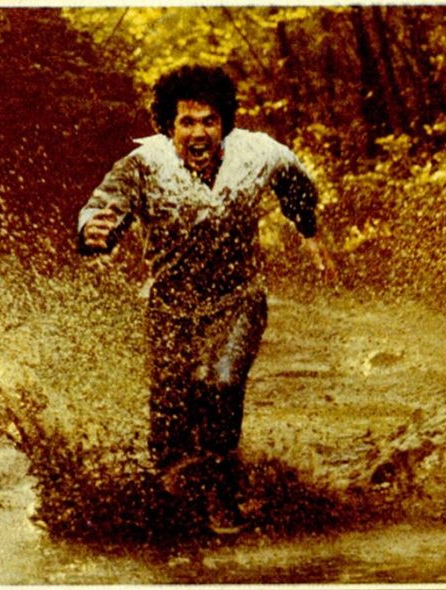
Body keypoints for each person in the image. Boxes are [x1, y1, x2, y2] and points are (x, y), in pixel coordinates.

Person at [78, 64, 328, 534]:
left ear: (224, 123)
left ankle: (222, 493)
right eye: (187, 122)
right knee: (170, 414)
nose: (199, 133)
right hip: (169, 306)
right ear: (168, 127)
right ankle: (174, 496)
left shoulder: (258, 153)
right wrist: (94, 231)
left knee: (220, 382)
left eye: (209, 121)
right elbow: (103, 207)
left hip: (238, 298)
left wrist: (308, 230)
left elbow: (295, 182)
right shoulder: (143, 165)